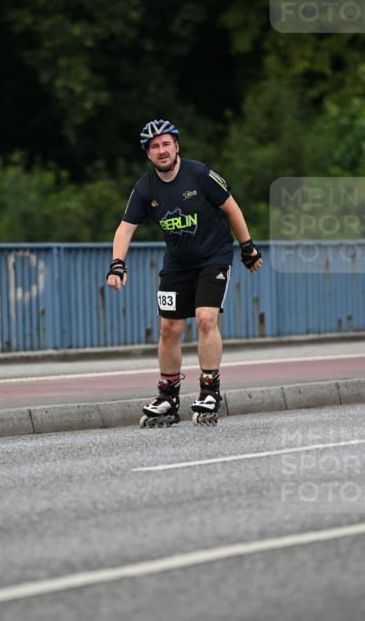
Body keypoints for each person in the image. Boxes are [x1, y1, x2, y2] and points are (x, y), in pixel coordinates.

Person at [106, 118, 262, 426]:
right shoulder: (144, 188)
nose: (161, 151)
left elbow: (232, 208)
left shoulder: (200, 174)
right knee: (169, 329)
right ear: (148, 154)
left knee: (206, 318)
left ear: (176, 146)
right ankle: (168, 396)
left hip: (214, 257)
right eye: (154, 147)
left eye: (166, 144)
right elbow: (125, 228)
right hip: (177, 263)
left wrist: (247, 247)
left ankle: (209, 391)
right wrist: (117, 265)